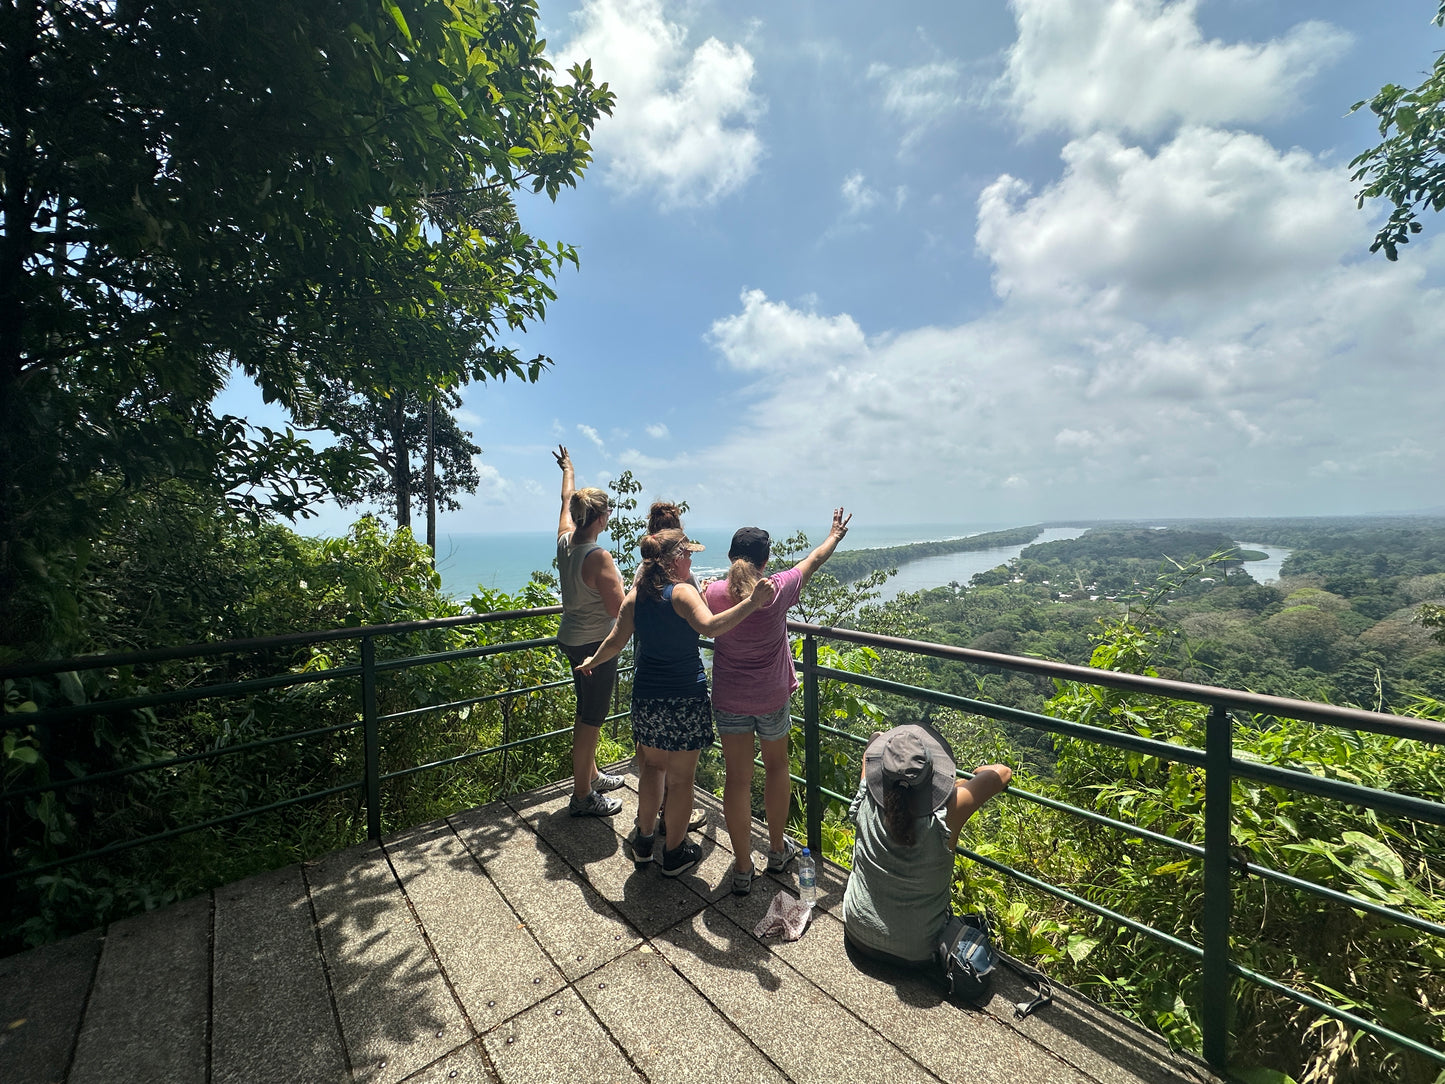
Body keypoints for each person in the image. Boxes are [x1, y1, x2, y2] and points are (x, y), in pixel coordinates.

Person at [577, 530, 777, 876]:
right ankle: (674, 854)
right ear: (676, 558)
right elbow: (711, 627)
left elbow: (615, 640)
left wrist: (591, 661)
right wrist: (752, 601)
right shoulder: (682, 592)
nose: (691, 561)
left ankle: (643, 841)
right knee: (682, 780)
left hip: (646, 697)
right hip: (683, 695)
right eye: (689, 555)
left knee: (652, 769)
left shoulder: (637, 595)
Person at [703, 508, 853, 895]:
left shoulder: (714, 593)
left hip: (729, 699)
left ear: (730, 556)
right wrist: (834, 535)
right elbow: (813, 560)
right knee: (777, 768)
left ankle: (740, 867)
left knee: (736, 780)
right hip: (771, 696)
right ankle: (775, 850)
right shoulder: (777, 588)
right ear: (765, 560)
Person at [842, 723, 1011, 970]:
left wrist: (889, 745)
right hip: (917, 951)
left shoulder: (867, 787)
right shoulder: (948, 810)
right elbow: (1002, 773)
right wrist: (967, 779)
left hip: (857, 931)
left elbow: (872, 745)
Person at [553, 446, 627, 817]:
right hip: (595, 646)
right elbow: (619, 609)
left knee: (584, 711)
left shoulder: (565, 540)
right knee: (590, 719)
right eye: (608, 512)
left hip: (570, 637)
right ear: (599, 517)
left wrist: (569, 469)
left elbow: (567, 498)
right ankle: (582, 796)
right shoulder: (598, 557)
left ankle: (592, 775)